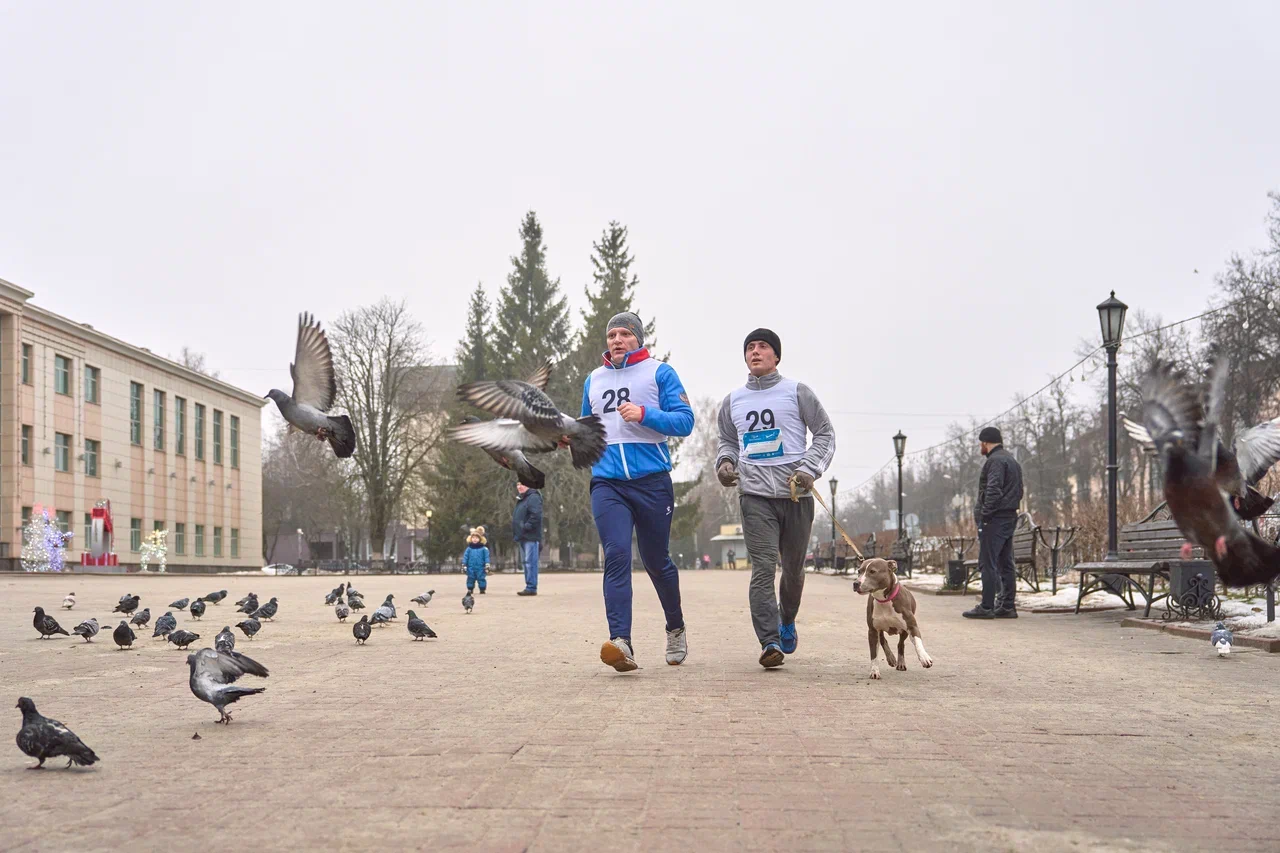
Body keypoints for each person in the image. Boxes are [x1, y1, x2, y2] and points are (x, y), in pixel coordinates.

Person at [716, 328, 836, 668]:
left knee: (794, 570)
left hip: (795, 495)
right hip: (754, 495)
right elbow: (726, 441)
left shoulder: (796, 392)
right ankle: (769, 641)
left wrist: (809, 469)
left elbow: (825, 434)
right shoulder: (733, 400)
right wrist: (725, 464)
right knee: (763, 567)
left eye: (763, 347)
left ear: (777, 356)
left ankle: (787, 620)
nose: (755, 352)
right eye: (749, 348)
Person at [583, 311, 695, 671]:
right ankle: (621, 642)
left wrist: (644, 413)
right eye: (611, 334)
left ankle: (675, 628)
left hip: (651, 482)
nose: (616, 340)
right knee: (615, 554)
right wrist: (569, 439)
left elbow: (685, 421)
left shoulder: (659, 373)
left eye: (624, 334)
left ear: (638, 339)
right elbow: (587, 428)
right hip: (607, 483)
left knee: (656, 561)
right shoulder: (594, 380)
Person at [963, 427, 1025, 619]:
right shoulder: (1012, 461)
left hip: (995, 519)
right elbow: (1018, 491)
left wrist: (986, 515)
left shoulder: (995, 461)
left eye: (980, 444)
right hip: (1009, 516)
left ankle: (987, 606)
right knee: (1005, 562)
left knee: (987, 563)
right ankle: (1007, 606)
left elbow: (993, 490)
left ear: (985, 443)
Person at [512, 484, 542, 596]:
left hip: (530, 536)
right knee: (526, 562)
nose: (519, 486)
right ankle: (529, 586)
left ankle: (531, 587)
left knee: (530, 562)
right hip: (522, 536)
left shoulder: (533, 497)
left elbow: (536, 515)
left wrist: (526, 526)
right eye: (518, 484)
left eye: (522, 484)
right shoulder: (522, 498)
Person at [461, 527, 490, 594]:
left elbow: (486, 557)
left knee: (481, 578)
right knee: (470, 578)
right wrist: (464, 564)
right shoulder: (469, 549)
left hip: (481, 567)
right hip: (471, 567)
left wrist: (487, 564)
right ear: (471, 539)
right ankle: (470, 589)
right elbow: (465, 557)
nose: (475, 539)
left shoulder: (484, 549)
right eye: (473, 538)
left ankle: (482, 589)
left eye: (476, 538)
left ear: (480, 539)